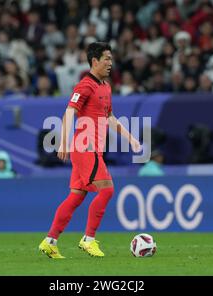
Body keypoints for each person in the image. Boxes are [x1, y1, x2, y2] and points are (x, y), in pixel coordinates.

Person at [39, 42, 141, 259]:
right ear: (94, 61)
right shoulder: (85, 85)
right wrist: (63, 142)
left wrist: (130, 139)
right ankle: (89, 239)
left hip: (91, 148)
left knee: (76, 197)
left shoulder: (105, 86)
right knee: (107, 189)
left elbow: (110, 118)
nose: (110, 63)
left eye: (111, 59)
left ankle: (50, 241)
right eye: (106, 58)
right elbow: (69, 112)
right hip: (86, 147)